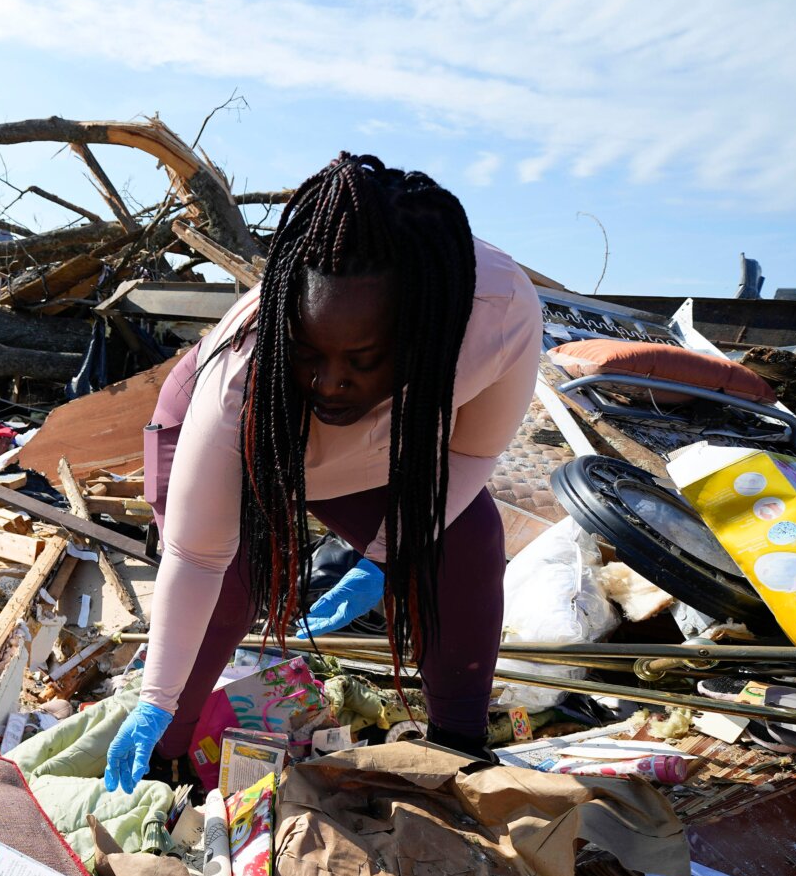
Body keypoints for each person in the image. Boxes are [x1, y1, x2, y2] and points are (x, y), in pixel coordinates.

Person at [104, 153, 543, 792]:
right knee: (230, 587)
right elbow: (196, 559)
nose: (332, 383)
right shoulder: (241, 379)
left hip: (379, 449)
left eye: (364, 358)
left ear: (423, 332)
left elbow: (469, 456)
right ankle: (163, 760)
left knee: (464, 540)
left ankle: (458, 748)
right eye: (310, 351)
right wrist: (154, 698)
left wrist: (392, 551)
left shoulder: (498, 316)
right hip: (256, 435)